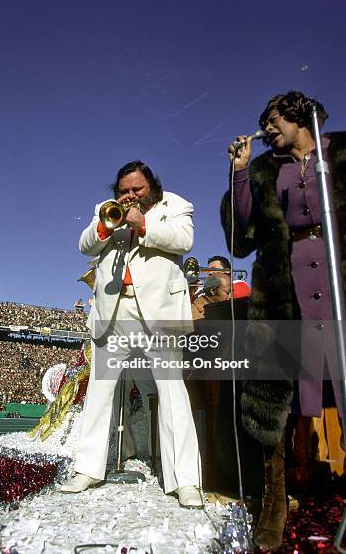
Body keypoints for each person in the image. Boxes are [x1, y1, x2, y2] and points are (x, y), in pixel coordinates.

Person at [221, 90, 346, 549]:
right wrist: (238, 173)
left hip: (337, 281)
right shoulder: (265, 169)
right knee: (276, 395)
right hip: (283, 290)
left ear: (299, 116)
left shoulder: (341, 153)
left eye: (273, 119)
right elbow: (240, 238)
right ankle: (274, 500)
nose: (267, 127)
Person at [60, 160, 203, 508]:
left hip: (159, 313)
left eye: (137, 190)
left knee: (172, 393)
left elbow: (184, 240)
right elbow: (84, 246)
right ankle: (88, 469)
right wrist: (107, 228)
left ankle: (185, 481)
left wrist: (144, 225)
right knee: (99, 392)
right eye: (124, 191)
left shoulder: (176, 205)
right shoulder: (105, 212)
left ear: (151, 187)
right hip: (115, 310)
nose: (130, 196)